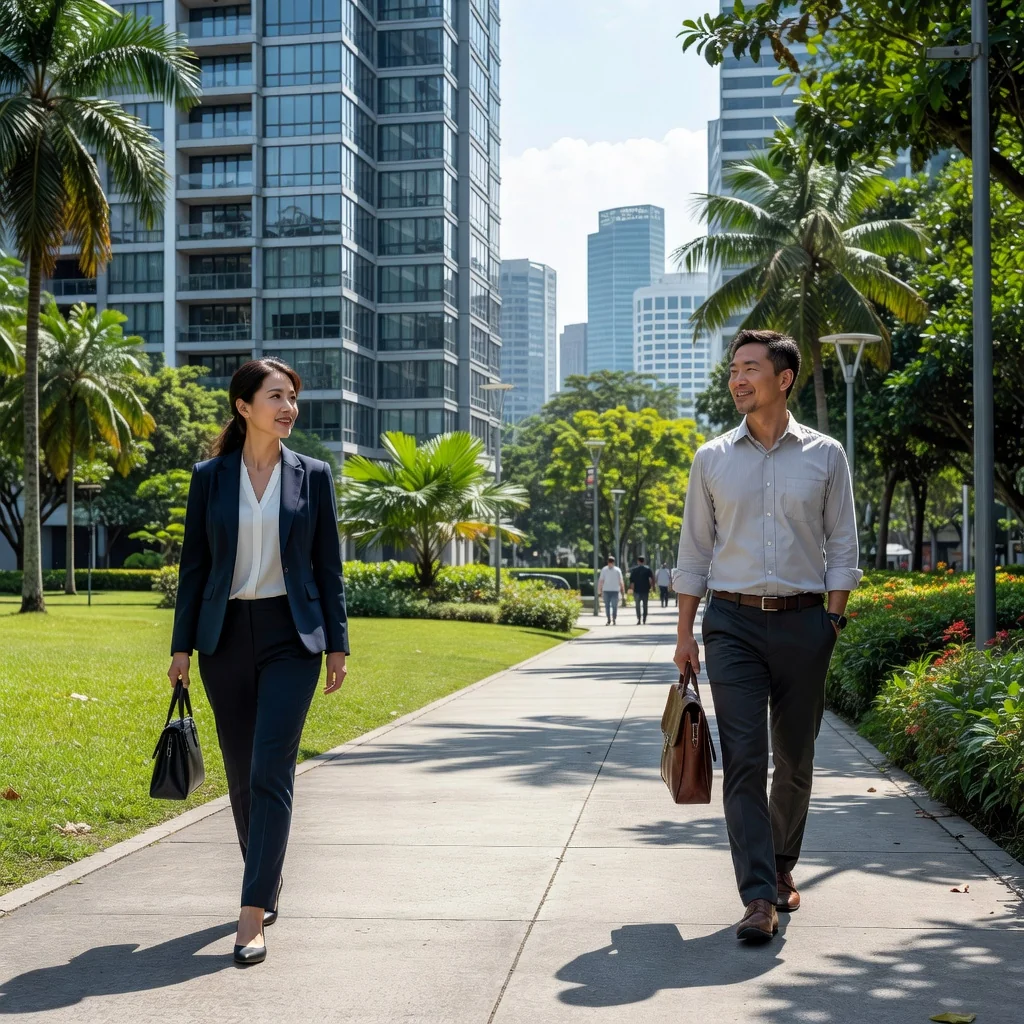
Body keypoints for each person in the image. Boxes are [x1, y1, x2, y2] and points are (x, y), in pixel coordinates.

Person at [672, 329, 861, 944]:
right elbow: (694, 551)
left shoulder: (826, 455)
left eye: (751, 368)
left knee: (796, 761)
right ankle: (757, 896)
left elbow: (842, 544)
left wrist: (831, 619)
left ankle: (781, 868)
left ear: (784, 379)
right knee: (746, 761)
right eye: (733, 369)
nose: (737, 379)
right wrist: (685, 635)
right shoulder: (712, 458)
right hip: (732, 624)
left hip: (807, 623)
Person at [168, 358, 350, 966]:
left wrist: (338, 643)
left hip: (290, 635)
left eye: (293, 397)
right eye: (277, 396)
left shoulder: (314, 475)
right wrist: (181, 648)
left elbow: (329, 567)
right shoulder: (210, 477)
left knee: (273, 768)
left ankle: (251, 916)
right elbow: (195, 567)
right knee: (243, 775)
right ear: (244, 406)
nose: (289, 407)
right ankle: (266, 880)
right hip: (223, 638)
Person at [597, 555, 625, 624]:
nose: (610, 563)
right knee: (607, 606)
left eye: (611, 562)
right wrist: (599, 590)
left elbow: (621, 581)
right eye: (609, 561)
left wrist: (622, 590)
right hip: (606, 590)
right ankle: (609, 619)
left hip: (615, 591)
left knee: (614, 606)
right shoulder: (604, 570)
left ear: (613, 562)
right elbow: (601, 581)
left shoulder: (617, 570)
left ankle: (614, 618)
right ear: (608, 562)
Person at [629, 555, 655, 624]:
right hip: (645, 590)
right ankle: (644, 618)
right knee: (645, 605)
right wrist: (652, 588)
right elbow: (650, 580)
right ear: (644, 561)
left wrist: (631, 589)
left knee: (637, 605)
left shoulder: (634, 570)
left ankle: (638, 619)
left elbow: (632, 581)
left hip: (637, 590)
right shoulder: (648, 569)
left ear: (638, 561)